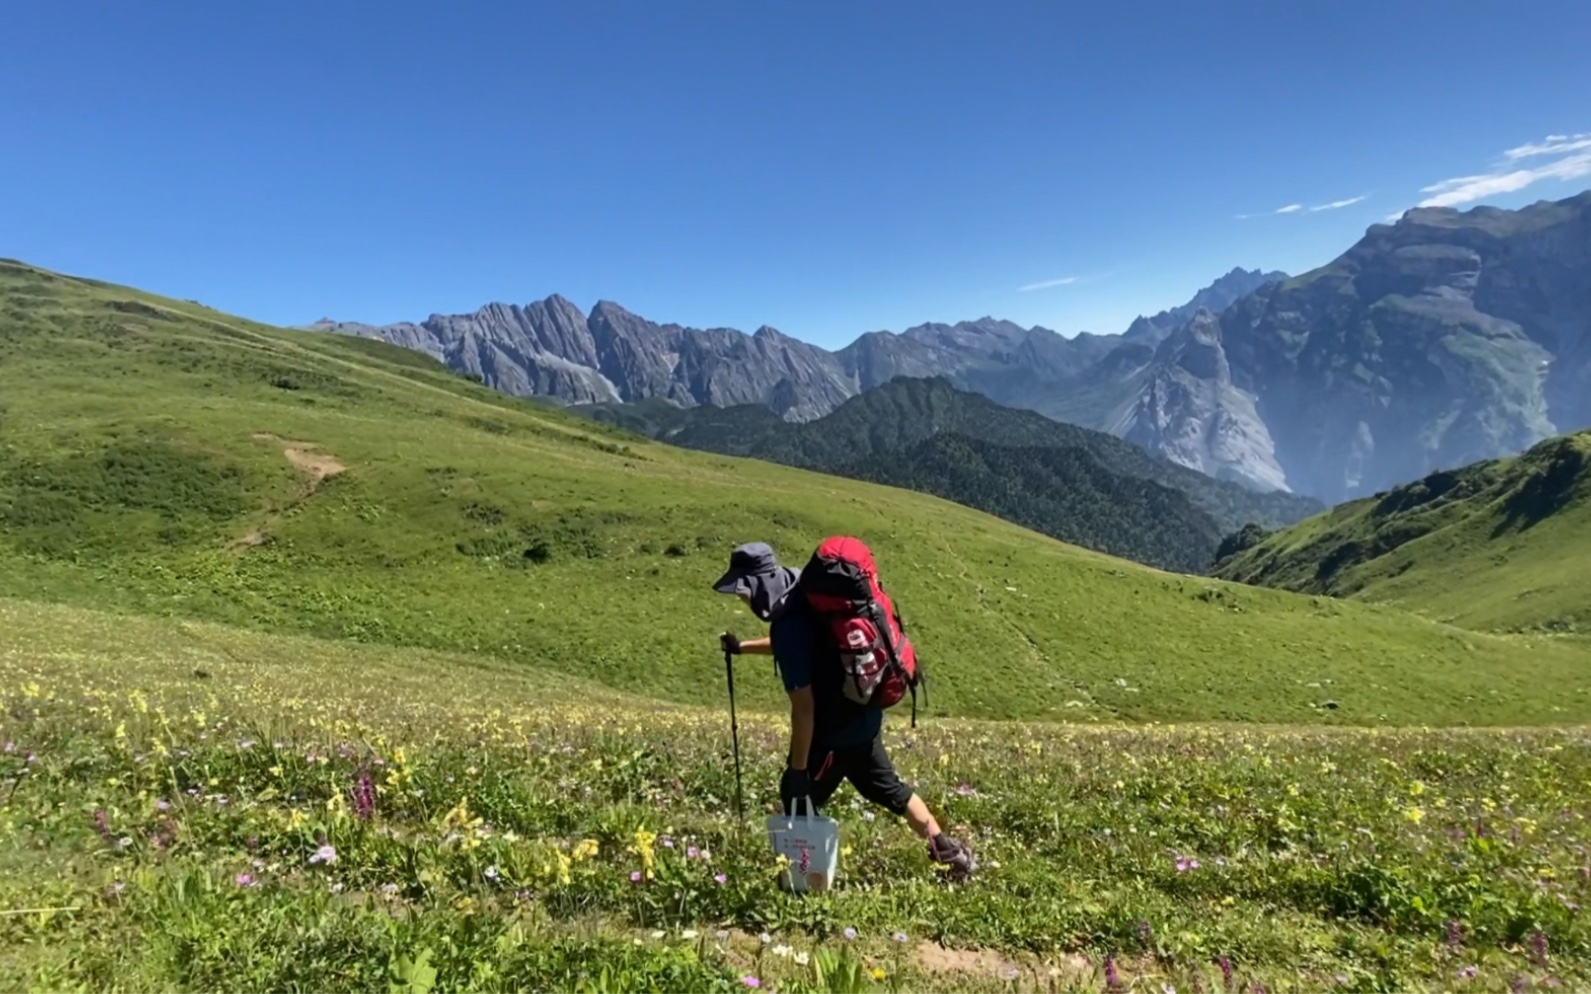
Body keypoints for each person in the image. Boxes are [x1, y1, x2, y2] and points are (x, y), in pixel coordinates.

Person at [714, 542, 975, 881]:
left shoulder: (789, 625)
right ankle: (951, 855)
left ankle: (804, 878)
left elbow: (804, 710)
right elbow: (801, 646)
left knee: (798, 801)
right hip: (864, 716)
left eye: (742, 593)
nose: (743, 600)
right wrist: (743, 648)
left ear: (755, 586)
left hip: (834, 732)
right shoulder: (804, 591)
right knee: (891, 790)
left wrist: (797, 771)